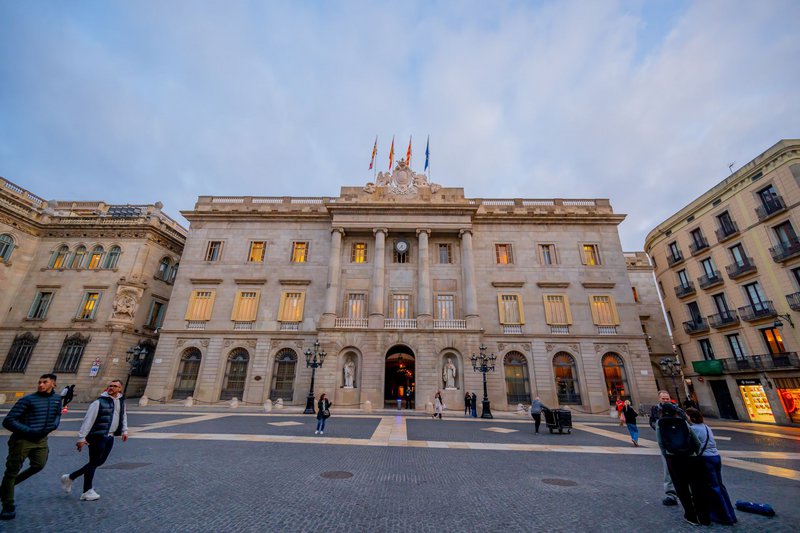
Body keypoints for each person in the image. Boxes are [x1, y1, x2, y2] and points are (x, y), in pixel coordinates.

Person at [1, 374, 62, 520]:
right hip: (22, 440)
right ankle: (8, 505)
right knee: (11, 472)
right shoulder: (27, 400)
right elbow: (8, 421)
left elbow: (57, 414)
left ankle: (4, 489)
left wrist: (54, 425)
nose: (41, 385)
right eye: (39, 382)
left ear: (53, 384)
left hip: (41, 440)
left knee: (39, 465)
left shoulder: (57, 399)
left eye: (45, 382)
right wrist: (29, 431)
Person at [61, 379, 128, 501]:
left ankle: (70, 477)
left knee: (99, 462)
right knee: (93, 462)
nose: (111, 387)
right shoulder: (98, 402)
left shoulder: (121, 401)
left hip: (110, 436)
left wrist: (125, 430)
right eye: (110, 386)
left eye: (114, 386)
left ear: (120, 389)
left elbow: (123, 415)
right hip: (98, 436)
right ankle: (87, 491)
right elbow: (88, 420)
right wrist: (82, 437)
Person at [656, 402, 709, 526]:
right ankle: (704, 517)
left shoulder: (660, 423)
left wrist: (667, 456)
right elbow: (696, 441)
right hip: (691, 458)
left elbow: (661, 443)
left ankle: (691, 516)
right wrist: (695, 454)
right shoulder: (683, 421)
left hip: (674, 459)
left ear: (662, 412)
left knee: (682, 488)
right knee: (697, 488)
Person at [686, 408, 737, 525]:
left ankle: (724, 517)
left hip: (705, 458)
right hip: (716, 457)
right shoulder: (706, 427)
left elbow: (692, 445)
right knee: (720, 485)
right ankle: (731, 514)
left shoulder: (692, 429)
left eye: (686, 416)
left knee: (713, 487)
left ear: (690, 417)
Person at [649, 390, 687, 506]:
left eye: (667, 399)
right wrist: (660, 430)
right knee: (668, 470)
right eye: (663, 399)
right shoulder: (655, 409)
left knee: (684, 470)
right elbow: (652, 422)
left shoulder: (677, 409)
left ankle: (688, 494)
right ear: (659, 399)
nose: (665, 400)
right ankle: (671, 494)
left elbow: (686, 423)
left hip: (681, 445)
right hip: (667, 444)